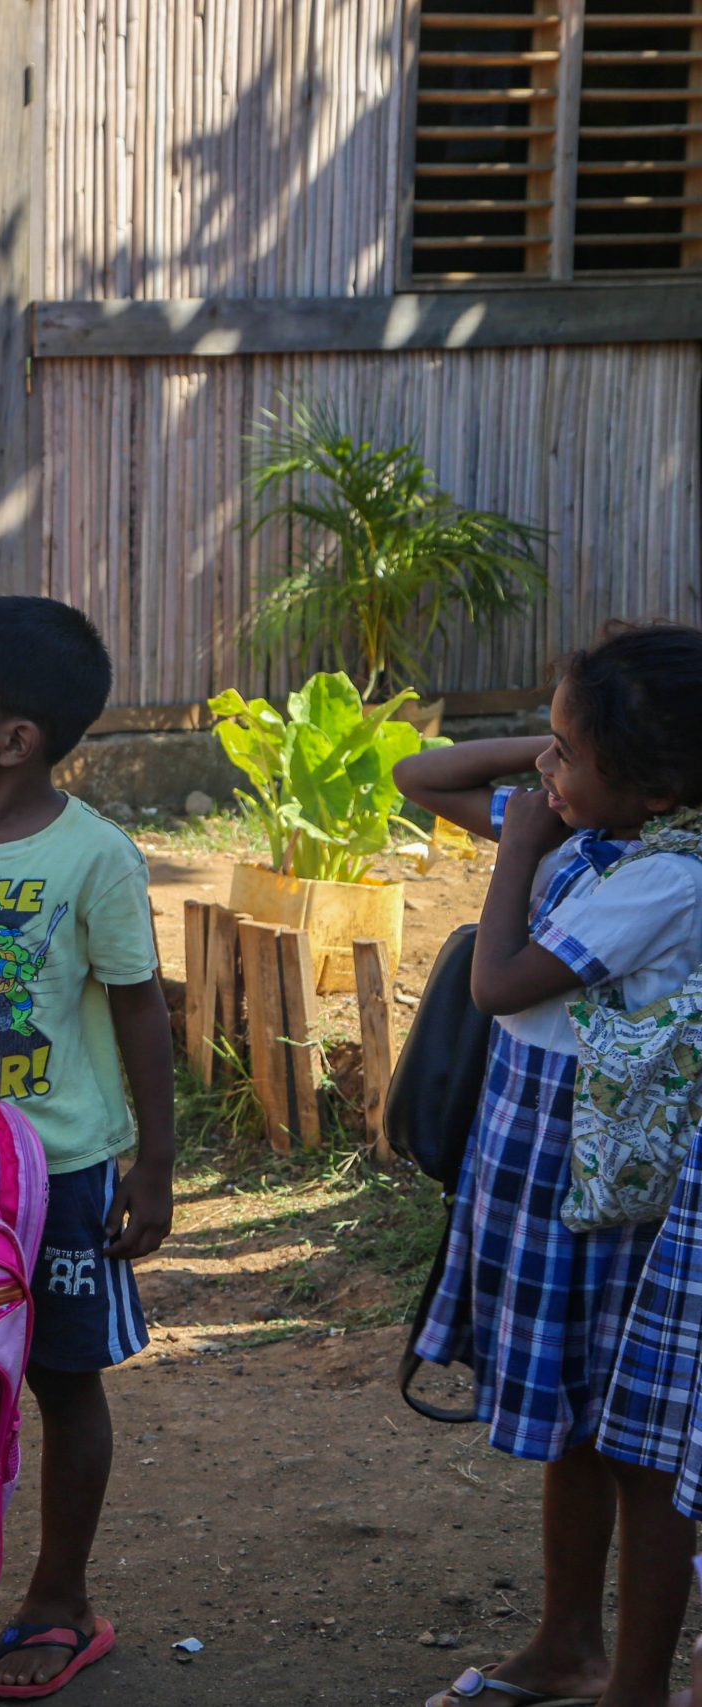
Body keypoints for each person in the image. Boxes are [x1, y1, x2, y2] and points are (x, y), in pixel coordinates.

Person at [399, 625, 702, 1707]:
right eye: (552, 748)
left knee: (638, 1445)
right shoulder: (598, 827)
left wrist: (524, 842)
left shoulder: (663, 879)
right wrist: (571, 744)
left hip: (604, 1186)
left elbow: (501, 988)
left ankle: (634, 1682)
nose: (543, 772)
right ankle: (565, 1642)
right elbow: (417, 771)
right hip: (534, 1160)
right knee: (576, 1425)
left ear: (654, 777)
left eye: (567, 754)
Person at [0, 596, 175, 1698]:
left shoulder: (95, 858)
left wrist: (152, 1164)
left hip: (58, 1174)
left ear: (14, 740)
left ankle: (60, 1599)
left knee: (61, 1379)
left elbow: (140, 1010)